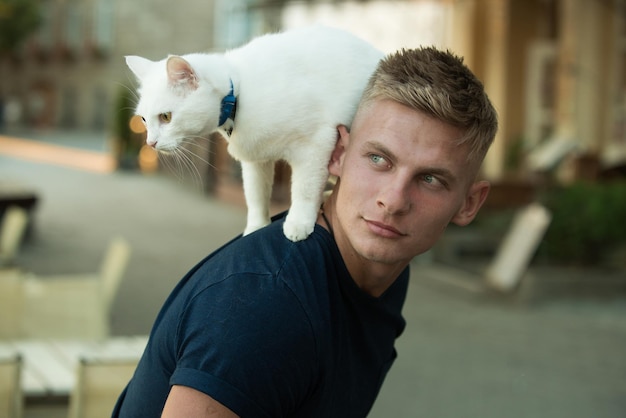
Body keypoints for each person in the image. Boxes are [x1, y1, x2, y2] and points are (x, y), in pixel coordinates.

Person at [112, 46, 498, 417]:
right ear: (336, 153)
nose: (394, 201)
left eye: (430, 178)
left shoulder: (385, 272)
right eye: (378, 159)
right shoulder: (263, 307)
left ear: (469, 203)